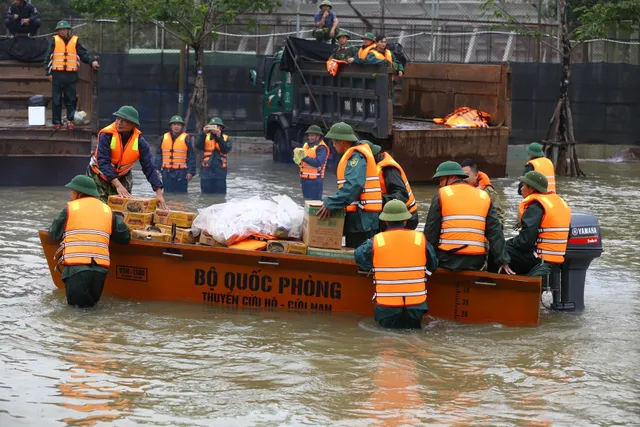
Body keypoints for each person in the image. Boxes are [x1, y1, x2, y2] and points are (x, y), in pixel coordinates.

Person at [49, 175, 131, 308]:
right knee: (91, 309)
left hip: (76, 268)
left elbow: (53, 233)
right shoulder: (107, 210)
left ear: (79, 193)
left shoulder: (71, 208)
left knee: (76, 313)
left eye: (72, 191)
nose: (71, 194)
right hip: (99, 271)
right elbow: (124, 236)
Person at [355, 200, 438, 329]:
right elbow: (433, 263)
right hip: (415, 306)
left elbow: (359, 256)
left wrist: (374, 266)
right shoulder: (419, 239)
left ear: (386, 222)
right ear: (405, 221)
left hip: (387, 308)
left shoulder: (377, 240)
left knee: (388, 342)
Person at [424, 161, 513, 273]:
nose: (440, 184)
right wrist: (502, 260)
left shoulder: (441, 194)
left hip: (448, 259)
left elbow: (431, 231)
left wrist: (426, 260)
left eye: (441, 180)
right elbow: (495, 231)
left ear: (451, 177)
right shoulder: (483, 195)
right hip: (476, 260)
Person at [87, 105, 168, 209]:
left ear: (133, 124)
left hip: (122, 176)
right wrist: (118, 185)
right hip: (99, 175)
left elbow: (149, 167)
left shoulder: (140, 142)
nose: (119, 123)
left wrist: (159, 193)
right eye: (118, 119)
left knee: (124, 209)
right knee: (100, 208)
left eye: (124, 120)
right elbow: (103, 162)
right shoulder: (106, 135)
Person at [317, 122, 382, 248]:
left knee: (360, 258)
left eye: (334, 142)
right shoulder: (354, 155)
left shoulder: (356, 157)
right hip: (361, 219)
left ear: (342, 142)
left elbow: (354, 185)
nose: (333, 145)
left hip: (363, 220)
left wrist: (331, 203)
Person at [506, 171, 571, 275]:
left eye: (523, 185)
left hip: (539, 259)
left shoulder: (535, 207)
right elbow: (569, 233)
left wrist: (506, 244)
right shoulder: (558, 203)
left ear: (531, 189)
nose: (521, 189)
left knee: (500, 250)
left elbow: (525, 242)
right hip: (556, 259)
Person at [44, 20, 99, 130]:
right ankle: (56, 122)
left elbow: (83, 54)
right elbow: (48, 57)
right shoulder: (54, 41)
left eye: (64, 29)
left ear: (68, 30)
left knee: (71, 99)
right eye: (60, 29)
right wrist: (48, 73)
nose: (62, 31)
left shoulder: (75, 41)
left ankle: (70, 120)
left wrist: (92, 61)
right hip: (57, 74)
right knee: (56, 99)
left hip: (71, 75)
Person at [366, 141, 418, 230]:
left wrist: (379, 200)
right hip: (392, 215)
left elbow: (402, 195)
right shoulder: (373, 167)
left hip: (405, 217)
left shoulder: (389, 170)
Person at [460, 159, 506, 229]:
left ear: (476, 175)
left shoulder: (488, 192)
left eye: (466, 175)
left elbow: (499, 216)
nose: (463, 179)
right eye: (461, 175)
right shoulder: (458, 190)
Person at [155, 115, 196, 194]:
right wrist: (157, 168)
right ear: (171, 126)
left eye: (178, 124)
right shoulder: (163, 138)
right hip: (167, 172)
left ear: (181, 126)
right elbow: (158, 155)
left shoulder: (187, 138)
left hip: (181, 172)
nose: (176, 126)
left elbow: (191, 157)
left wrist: (190, 172)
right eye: (174, 124)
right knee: (167, 194)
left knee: (181, 195)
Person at [195, 117, 232, 194]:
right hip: (206, 172)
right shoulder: (205, 136)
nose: (215, 128)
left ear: (221, 128)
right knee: (205, 196)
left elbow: (225, 149)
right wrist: (203, 133)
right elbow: (198, 146)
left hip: (220, 172)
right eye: (213, 126)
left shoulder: (226, 138)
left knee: (220, 196)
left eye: (217, 126)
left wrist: (219, 138)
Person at [298, 125, 329, 200]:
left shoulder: (321, 147)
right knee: (306, 203)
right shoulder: (306, 145)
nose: (310, 137)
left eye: (312, 136)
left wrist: (304, 157)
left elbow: (318, 162)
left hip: (315, 181)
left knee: (315, 203)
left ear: (318, 136)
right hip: (305, 180)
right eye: (309, 136)